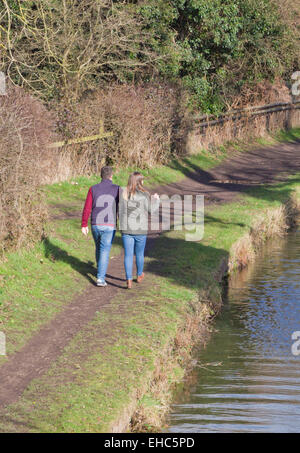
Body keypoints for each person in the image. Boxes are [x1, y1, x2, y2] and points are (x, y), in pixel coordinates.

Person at [119, 172, 160, 289]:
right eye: (142, 180)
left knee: (128, 254)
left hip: (126, 228)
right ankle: (139, 274)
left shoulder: (123, 193)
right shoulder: (144, 194)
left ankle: (128, 279)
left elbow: (120, 210)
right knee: (139, 253)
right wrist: (156, 200)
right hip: (140, 229)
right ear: (140, 181)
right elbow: (151, 210)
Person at [81, 166, 119, 287]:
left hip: (95, 224)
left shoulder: (93, 189)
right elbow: (123, 207)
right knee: (104, 250)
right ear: (111, 176)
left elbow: (87, 208)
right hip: (109, 224)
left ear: (100, 175)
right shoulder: (117, 189)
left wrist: (84, 224)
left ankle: (99, 269)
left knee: (98, 248)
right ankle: (100, 278)